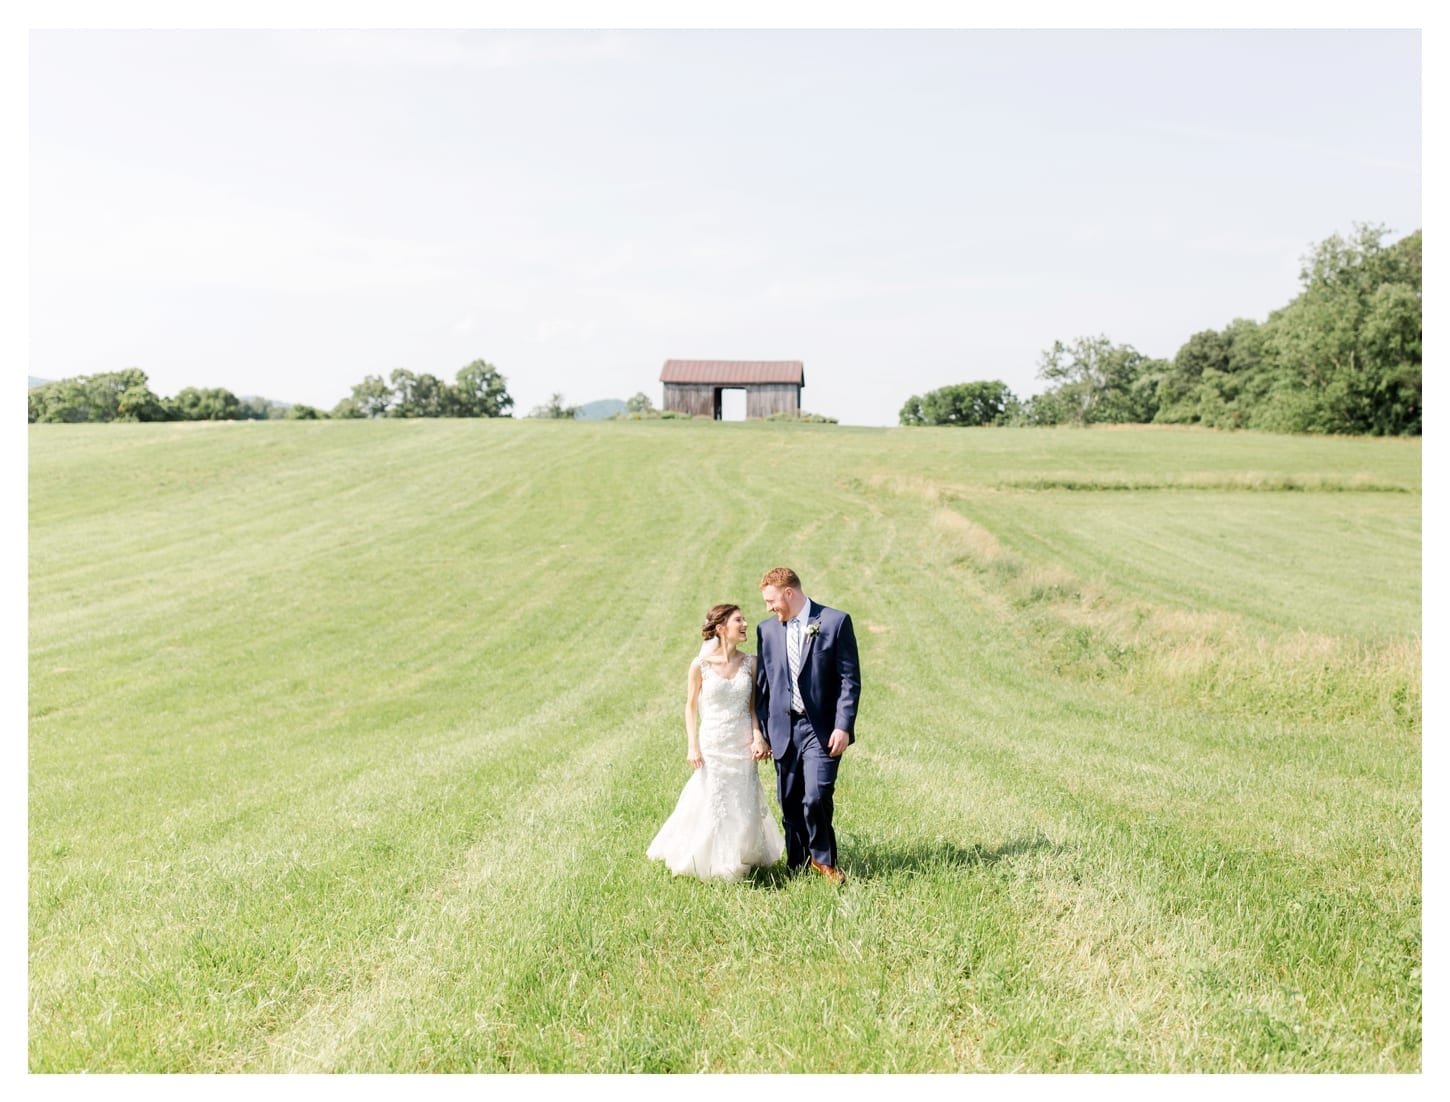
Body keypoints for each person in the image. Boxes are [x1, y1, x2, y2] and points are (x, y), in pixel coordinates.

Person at [647, 603, 785, 881]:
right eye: (738, 620)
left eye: (744, 619)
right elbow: (690, 706)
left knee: (743, 800)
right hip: (713, 741)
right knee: (714, 798)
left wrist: (758, 736)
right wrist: (692, 745)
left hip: (742, 741)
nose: (745, 624)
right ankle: (714, 860)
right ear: (721, 628)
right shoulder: (700, 666)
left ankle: (741, 854)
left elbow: (752, 707)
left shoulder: (751, 663)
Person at [754, 568, 860, 885]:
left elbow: (849, 681)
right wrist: (761, 731)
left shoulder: (834, 622)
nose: (769, 607)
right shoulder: (766, 631)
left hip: (822, 729)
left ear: (789, 592)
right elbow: (763, 687)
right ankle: (796, 864)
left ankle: (824, 860)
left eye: (771, 600)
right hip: (783, 729)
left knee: (816, 795)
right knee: (789, 802)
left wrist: (843, 726)